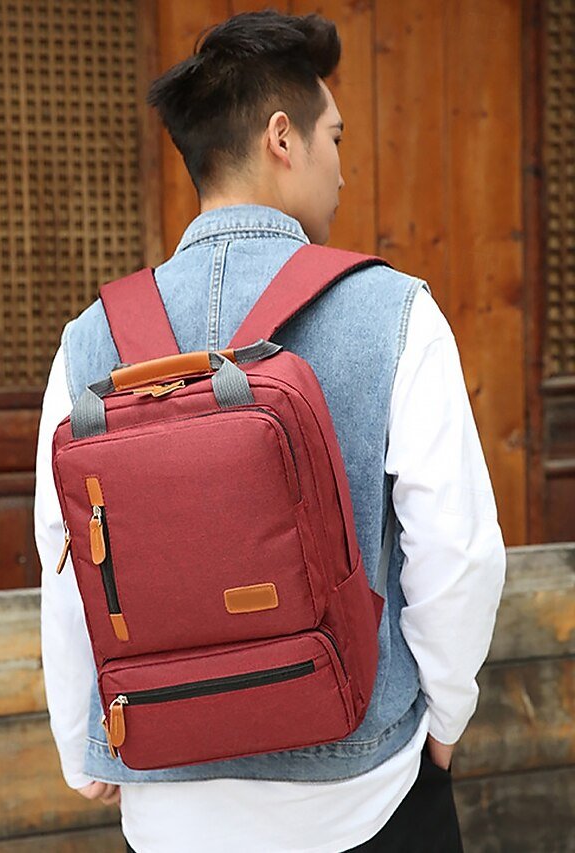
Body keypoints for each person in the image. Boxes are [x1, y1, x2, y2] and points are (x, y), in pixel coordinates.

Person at [34, 10, 506, 852]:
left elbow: (67, 565)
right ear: (282, 138)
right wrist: (445, 716)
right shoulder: (397, 312)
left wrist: (85, 745)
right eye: (335, 137)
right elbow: (456, 549)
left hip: (170, 799)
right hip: (360, 787)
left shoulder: (88, 341)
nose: (342, 171)